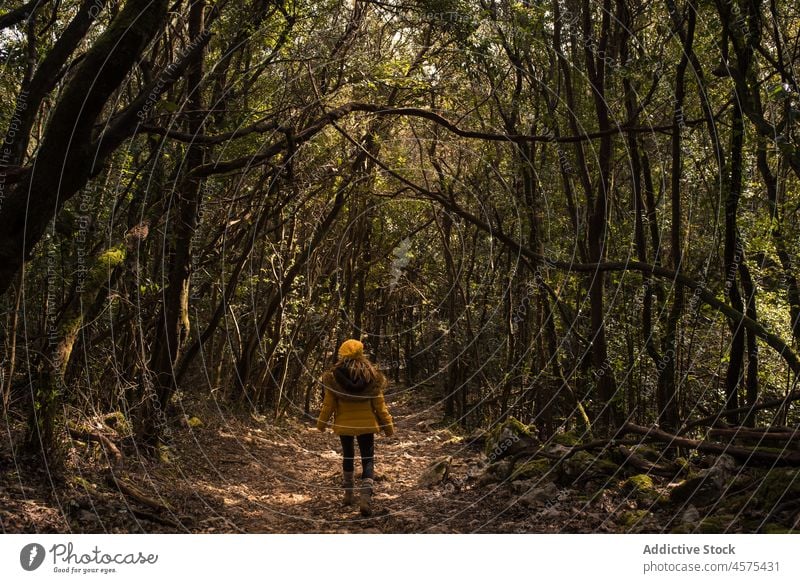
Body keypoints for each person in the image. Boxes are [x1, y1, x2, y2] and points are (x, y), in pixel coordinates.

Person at [317, 339, 394, 516]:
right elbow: (380, 405)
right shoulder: (371, 375)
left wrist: (321, 424)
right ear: (361, 352)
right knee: (368, 459)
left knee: (348, 455)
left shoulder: (333, 377)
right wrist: (388, 427)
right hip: (367, 424)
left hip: (345, 424)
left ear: (342, 353)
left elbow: (328, 405)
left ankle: (348, 495)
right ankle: (365, 497)